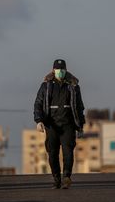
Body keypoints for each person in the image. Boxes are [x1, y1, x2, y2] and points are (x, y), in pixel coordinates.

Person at [34, 59, 85, 189]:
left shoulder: (73, 86)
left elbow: (79, 107)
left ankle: (66, 177)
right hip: (51, 125)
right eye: (58, 69)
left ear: (66, 70)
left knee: (68, 152)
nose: (60, 72)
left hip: (68, 125)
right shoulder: (46, 86)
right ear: (53, 70)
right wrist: (39, 120)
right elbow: (38, 104)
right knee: (52, 153)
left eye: (62, 70)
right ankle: (56, 178)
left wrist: (80, 126)